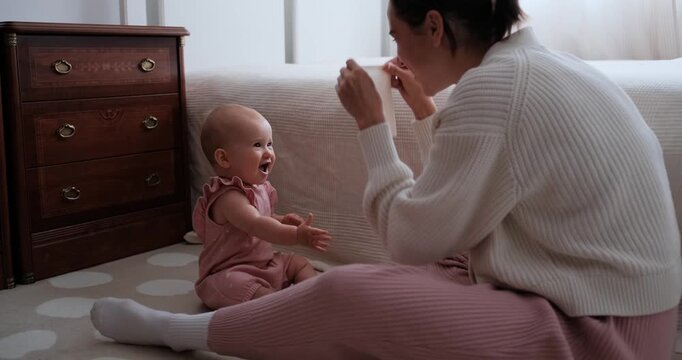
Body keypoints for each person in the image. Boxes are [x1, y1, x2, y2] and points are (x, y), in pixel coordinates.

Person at [90, 1, 681, 358]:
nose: (392, 47)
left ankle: (183, 334)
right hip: (625, 313)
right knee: (439, 270)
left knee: (355, 293)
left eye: (396, 33)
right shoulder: (537, 65)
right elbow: (471, 180)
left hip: (599, 336)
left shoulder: (498, 86)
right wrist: (424, 111)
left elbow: (412, 234)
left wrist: (374, 124)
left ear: (433, 26)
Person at [191, 104, 331, 308]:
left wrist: (281, 220)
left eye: (270, 144)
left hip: (263, 264)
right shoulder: (228, 197)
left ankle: (312, 295)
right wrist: (296, 235)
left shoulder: (258, 188)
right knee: (252, 291)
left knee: (297, 263)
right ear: (224, 158)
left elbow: (263, 217)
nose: (268, 153)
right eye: (258, 145)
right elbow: (255, 224)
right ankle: (282, 307)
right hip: (231, 274)